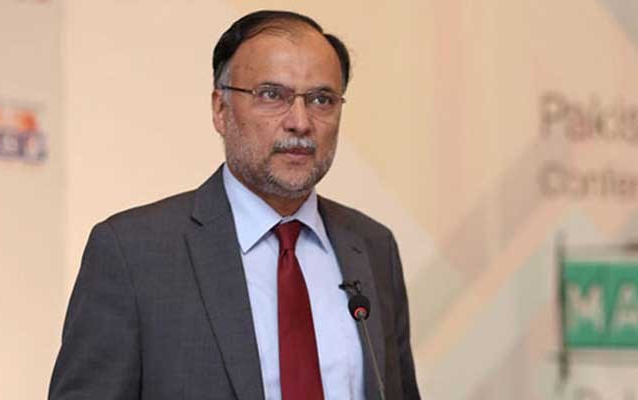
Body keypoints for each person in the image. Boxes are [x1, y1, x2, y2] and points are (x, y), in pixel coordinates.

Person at [49, 10, 420, 400]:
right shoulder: (134, 252)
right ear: (220, 110)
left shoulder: (372, 246)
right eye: (272, 95)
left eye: (321, 100)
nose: (300, 122)